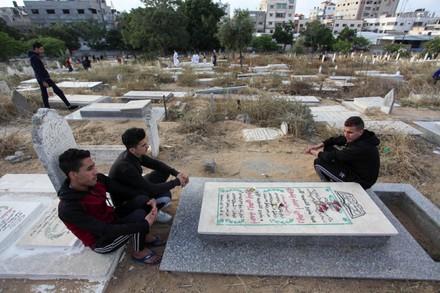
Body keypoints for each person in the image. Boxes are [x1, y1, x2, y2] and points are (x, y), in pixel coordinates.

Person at [57, 148, 163, 264]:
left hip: (112, 218)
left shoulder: (97, 180)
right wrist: (143, 225)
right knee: (140, 219)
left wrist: (149, 198)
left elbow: (124, 190)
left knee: (142, 200)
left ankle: (143, 235)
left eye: (93, 166)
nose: (95, 171)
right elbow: (104, 230)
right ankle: (139, 252)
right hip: (102, 241)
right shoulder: (69, 208)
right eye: (89, 169)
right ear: (73, 175)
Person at [109, 128, 189, 223]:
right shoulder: (126, 167)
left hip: (134, 188)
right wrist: (177, 182)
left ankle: (153, 205)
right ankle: (152, 211)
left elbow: (156, 164)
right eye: (143, 145)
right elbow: (151, 189)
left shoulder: (134, 154)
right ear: (132, 149)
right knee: (166, 196)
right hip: (125, 201)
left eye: (146, 143)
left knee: (164, 171)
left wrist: (176, 173)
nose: (147, 146)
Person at [305, 116, 380, 189]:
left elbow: (332, 156)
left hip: (361, 182)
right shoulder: (363, 136)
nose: (346, 135)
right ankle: (335, 178)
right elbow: (337, 140)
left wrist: (313, 151)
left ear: (360, 132)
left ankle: (329, 186)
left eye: (350, 132)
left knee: (319, 162)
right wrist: (317, 146)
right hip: (354, 168)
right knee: (329, 147)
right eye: (344, 131)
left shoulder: (362, 147)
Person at [28, 42, 77, 110]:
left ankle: (47, 108)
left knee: (45, 94)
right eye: (41, 49)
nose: (43, 51)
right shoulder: (34, 58)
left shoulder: (34, 56)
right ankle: (68, 106)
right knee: (58, 91)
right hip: (44, 78)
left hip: (42, 77)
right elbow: (37, 70)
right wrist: (43, 81)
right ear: (36, 49)